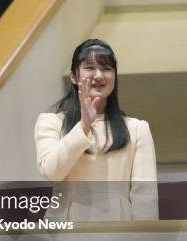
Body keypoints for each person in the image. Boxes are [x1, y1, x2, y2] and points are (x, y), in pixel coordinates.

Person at [35, 39, 158, 221]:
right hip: (63, 234)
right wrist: (84, 125)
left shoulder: (137, 129)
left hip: (117, 233)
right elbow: (53, 172)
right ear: (74, 77)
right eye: (90, 68)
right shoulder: (50, 122)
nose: (99, 75)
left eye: (107, 68)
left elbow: (145, 197)